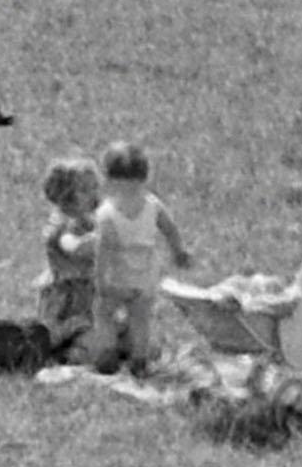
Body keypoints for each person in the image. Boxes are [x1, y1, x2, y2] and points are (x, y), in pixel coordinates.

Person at [88, 142, 187, 366]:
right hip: (145, 277)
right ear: (145, 176)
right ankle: (139, 359)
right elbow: (169, 228)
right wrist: (179, 250)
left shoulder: (107, 213)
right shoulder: (153, 205)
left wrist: (100, 279)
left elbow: (104, 250)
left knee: (104, 314)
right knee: (140, 319)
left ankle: (107, 353)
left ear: (109, 179)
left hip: (116, 277)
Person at [33, 153, 106, 358]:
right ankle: (65, 352)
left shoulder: (88, 221)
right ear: (65, 196)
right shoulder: (63, 224)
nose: (93, 195)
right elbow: (72, 246)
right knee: (97, 347)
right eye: (84, 190)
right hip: (67, 307)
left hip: (89, 299)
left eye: (94, 188)